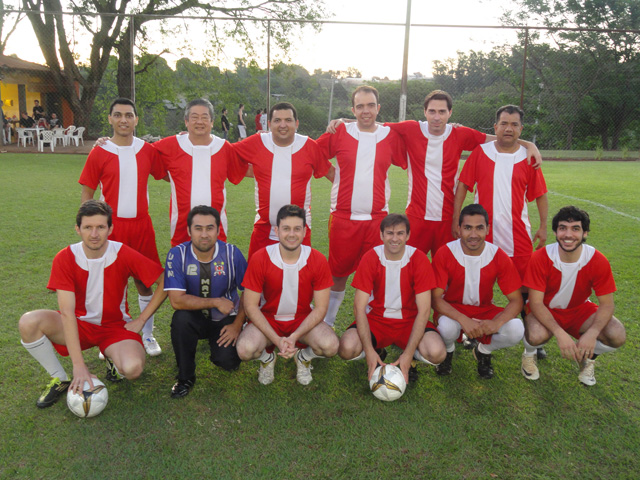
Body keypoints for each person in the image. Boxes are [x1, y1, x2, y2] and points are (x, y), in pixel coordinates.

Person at [328, 90, 542, 258]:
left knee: (446, 273)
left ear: (450, 113)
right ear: (425, 112)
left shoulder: (460, 133)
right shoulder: (411, 129)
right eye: (432, 111)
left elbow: (498, 138)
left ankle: (442, 305)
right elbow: (375, 124)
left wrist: (528, 144)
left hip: (447, 219)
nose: (437, 117)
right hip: (416, 217)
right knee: (410, 268)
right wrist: (345, 120)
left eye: (442, 112)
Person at [18, 200, 164, 408]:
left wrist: (141, 320)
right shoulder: (65, 258)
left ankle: (114, 361)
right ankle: (60, 378)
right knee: (28, 322)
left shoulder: (122, 252)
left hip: (115, 328)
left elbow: (165, 281)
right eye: (88, 227)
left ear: (110, 229)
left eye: (100, 227)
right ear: (78, 229)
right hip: (79, 325)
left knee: (133, 369)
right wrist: (79, 366)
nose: (94, 234)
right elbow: (67, 313)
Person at [453, 104, 548, 355]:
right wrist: (455, 219)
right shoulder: (480, 153)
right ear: (495, 127)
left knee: (526, 289)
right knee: (474, 284)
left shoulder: (528, 158)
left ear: (521, 129)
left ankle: (533, 340)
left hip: (518, 236)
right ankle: (469, 333)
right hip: (481, 236)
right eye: (504, 123)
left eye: (514, 124)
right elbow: (463, 185)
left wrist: (543, 226)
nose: (508, 128)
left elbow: (540, 194)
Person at [79, 98, 165, 356]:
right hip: (112, 228)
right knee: (112, 285)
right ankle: (113, 334)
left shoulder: (147, 150)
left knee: (145, 282)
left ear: (136, 119)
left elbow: (168, 171)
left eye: (129, 115)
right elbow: (88, 191)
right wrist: (90, 227)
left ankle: (147, 334)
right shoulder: (100, 151)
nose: (123, 120)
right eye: (118, 115)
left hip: (141, 226)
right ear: (110, 119)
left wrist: (185, 137)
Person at [317, 85, 407, 328]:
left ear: (378, 108)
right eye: (360, 106)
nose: (365, 111)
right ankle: (327, 322)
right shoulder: (340, 131)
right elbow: (313, 153)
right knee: (338, 273)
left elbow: (412, 154)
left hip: (377, 220)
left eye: (370, 106)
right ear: (352, 110)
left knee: (375, 274)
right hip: (344, 218)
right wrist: (335, 176)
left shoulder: (390, 135)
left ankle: (372, 324)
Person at [521, 206, 626, 385]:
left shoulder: (597, 259)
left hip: (579, 310)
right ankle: (529, 355)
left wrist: (592, 333)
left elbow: (607, 304)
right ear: (556, 232)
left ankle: (587, 357)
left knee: (617, 334)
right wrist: (560, 334)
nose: (568, 235)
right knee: (536, 335)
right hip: (545, 309)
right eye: (563, 228)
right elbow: (536, 303)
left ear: (585, 233)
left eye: (575, 229)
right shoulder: (540, 257)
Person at [236, 204, 339, 385]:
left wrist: (294, 337)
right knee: (245, 350)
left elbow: (321, 308)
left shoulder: (317, 259)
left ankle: (303, 357)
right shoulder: (260, 258)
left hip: (302, 319)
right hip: (269, 319)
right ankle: (267, 359)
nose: (292, 234)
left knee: (331, 346)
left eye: (297, 229)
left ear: (305, 231)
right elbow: (250, 306)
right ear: (276, 230)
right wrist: (276, 340)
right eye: (286, 229)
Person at [338, 214, 446, 385]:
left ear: (408, 235)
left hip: (409, 321)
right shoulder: (371, 257)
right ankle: (376, 351)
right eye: (389, 233)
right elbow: (359, 307)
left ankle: (410, 359)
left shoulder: (418, 259)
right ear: (381, 235)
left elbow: (424, 310)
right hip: (376, 320)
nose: (395, 238)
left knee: (437, 353)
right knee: (346, 348)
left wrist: (408, 354)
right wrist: (369, 351)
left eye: (400, 233)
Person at [163, 206, 248, 398]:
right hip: (193, 318)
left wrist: (237, 324)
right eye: (198, 228)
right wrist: (215, 301)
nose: (204, 234)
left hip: (225, 319)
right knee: (180, 319)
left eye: (209, 228)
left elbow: (248, 291)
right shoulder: (177, 255)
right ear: (189, 230)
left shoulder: (232, 254)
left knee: (228, 362)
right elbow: (176, 301)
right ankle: (185, 378)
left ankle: (218, 346)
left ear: (218, 230)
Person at [432, 204, 524, 379]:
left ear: (487, 229)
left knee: (516, 329)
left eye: (479, 228)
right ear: (459, 229)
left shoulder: (498, 255)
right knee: (446, 328)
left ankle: (483, 351)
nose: (473, 234)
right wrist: (462, 319)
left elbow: (516, 300)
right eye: (468, 228)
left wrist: (496, 323)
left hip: (484, 310)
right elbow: (435, 299)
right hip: (454, 310)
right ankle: (448, 351)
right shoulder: (445, 252)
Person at [233, 102, 331, 258]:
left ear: (296, 123)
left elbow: (333, 174)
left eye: (288, 120)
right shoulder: (257, 142)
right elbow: (225, 154)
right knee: (257, 272)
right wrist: (258, 171)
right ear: (269, 124)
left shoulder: (309, 146)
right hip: (264, 228)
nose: (283, 125)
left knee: (299, 272)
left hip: (299, 229)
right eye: (277, 120)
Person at [153, 98, 246, 247]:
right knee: (182, 260)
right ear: (186, 121)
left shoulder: (224, 147)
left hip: (216, 227)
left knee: (216, 260)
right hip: (181, 228)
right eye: (194, 117)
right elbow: (143, 154)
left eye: (204, 117)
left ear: (212, 122)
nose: (199, 122)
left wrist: (269, 138)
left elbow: (249, 167)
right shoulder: (170, 145)